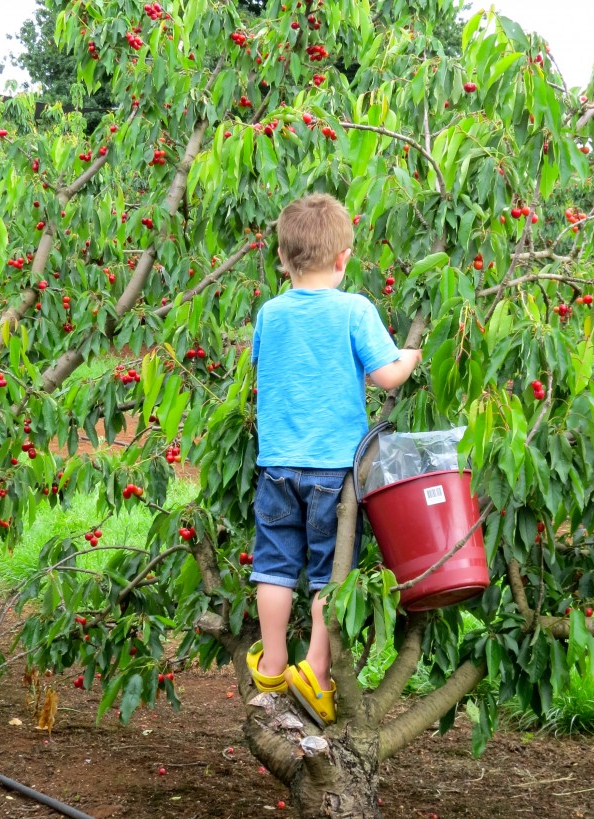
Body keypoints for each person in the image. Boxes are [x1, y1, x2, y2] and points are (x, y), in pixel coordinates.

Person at [245, 193, 421, 727]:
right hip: (333, 473)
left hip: (277, 464)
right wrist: (410, 354)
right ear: (344, 257)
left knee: (273, 567)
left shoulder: (269, 313)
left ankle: (272, 664)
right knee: (328, 575)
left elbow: (270, 367)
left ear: (283, 257)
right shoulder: (354, 309)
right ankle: (315, 672)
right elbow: (386, 375)